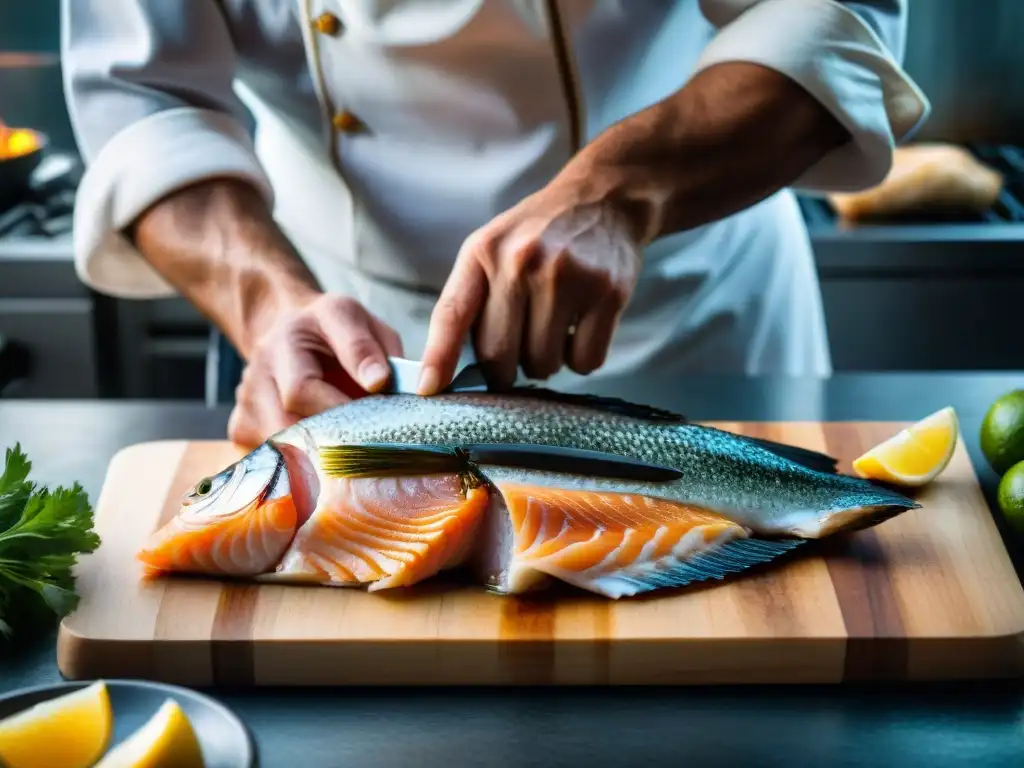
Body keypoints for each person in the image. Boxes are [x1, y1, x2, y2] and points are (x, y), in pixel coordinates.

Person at [61, 0, 928, 447]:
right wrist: (267, 306)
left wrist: (620, 189)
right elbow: (144, 92)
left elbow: (830, 20)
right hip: (344, 340)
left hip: (685, 307)